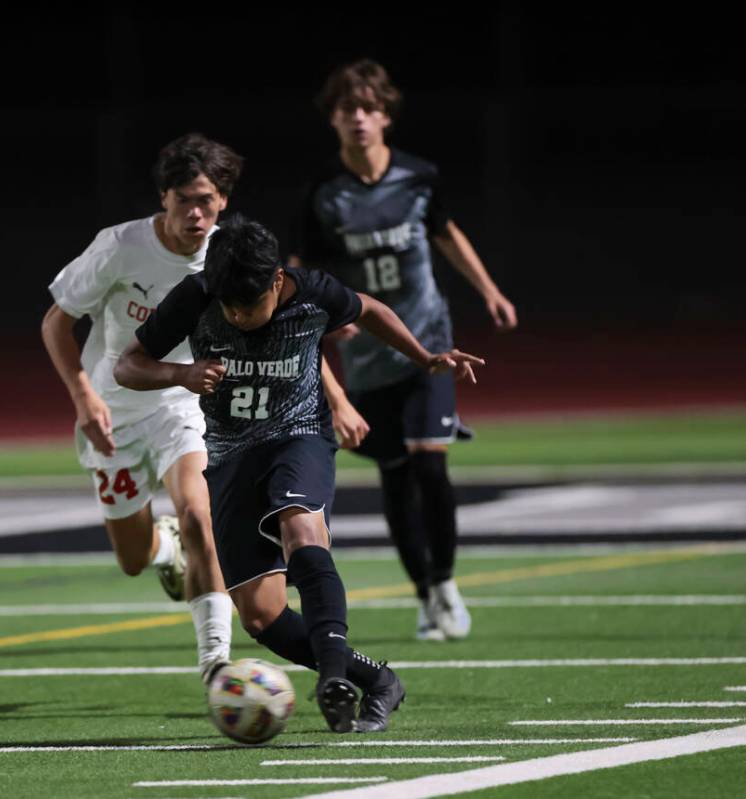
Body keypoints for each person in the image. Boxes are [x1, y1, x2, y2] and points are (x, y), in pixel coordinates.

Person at [115, 216, 482, 733]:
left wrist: (423, 358)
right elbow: (127, 365)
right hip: (230, 457)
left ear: (276, 282)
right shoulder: (197, 293)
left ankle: (332, 680)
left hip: (299, 435)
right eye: (231, 308)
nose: (240, 317)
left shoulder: (311, 292)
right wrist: (180, 374)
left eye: (251, 306)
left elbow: (371, 309)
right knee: (261, 616)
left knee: (300, 526)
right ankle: (376, 679)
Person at [292, 59, 518, 642]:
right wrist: (320, 321)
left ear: (386, 115)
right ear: (334, 120)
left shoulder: (418, 177)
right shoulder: (323, 192)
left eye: (369, 108)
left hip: (429, 345)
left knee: (430, 463)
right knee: (395, 477)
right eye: (348, 109)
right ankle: (424, 593)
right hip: (367, 358)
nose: (359, 118)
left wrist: (488, 290)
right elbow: (304, 271)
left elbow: (446, 233)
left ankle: (445, 583)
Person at [40, 133, 240, 682]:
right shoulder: (120, 247)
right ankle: (164, 549)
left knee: (201, 515)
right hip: (113, 411)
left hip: (183, 403)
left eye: (206, 200)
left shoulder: (230, 255)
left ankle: (215, 662)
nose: (196, 214)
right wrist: (83, 395)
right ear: (164, 199)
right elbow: (56, 323)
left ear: (223, 200)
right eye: (184, 201)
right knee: (132, 560)